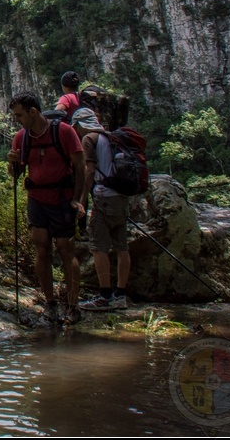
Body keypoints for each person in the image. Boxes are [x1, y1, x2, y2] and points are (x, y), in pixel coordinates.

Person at [7, 92, 86, 325]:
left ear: (33, 112)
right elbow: (17, 174)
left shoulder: (63, 132)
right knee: (41, 248)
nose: (17, 120)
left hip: (62, 198)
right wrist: (12, 164)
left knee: (65, 248)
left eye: (19, 115)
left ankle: (72, 306)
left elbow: (81, 168)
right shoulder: (21, 138)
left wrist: (78, 199)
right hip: (37, 198)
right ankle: (50, 304)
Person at [71, 108, 131, 310]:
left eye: (75, 127)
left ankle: (105, 296)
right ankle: (121, 294)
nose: (75, 132)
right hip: (121, 197)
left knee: (98, 247)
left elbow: (89, 170)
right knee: (122, 247)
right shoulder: (111, 136)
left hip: (103, 198)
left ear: (80, 124)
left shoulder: (89, 138)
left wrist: (81, 199)